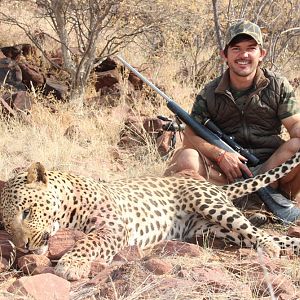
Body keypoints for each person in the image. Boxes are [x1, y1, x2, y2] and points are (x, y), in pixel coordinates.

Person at [165, 20, 300, 208]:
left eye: (251, 48)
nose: (243, 55)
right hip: (226, 174)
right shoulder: (209, 92)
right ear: (224, 55)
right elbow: (189, 138)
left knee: (297, 144)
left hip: (269, 172)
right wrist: (220, 155)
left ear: (261, 54)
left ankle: (277, 202)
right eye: (236, 49)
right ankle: (231, 203)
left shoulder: (278, 85)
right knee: (187, 157)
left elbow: (294, 125)